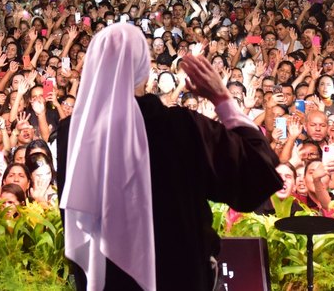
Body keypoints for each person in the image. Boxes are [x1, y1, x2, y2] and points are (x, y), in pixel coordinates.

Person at [58, 23, 282, 291]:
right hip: (178, 276)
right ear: (145, 69)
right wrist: (221, 98)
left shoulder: (71, 132)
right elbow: (255, 176)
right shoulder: (180, 126)